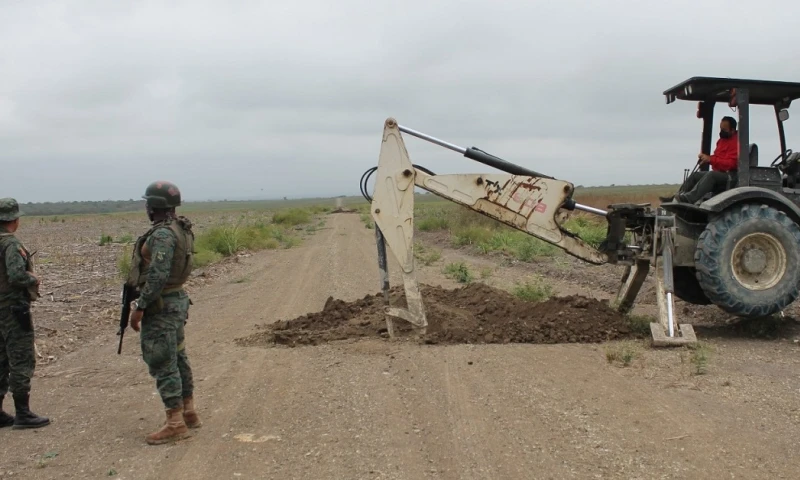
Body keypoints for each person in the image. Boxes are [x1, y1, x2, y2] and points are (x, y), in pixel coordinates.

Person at [126, 181, 200, 445]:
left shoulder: (162, 235)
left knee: (162, 360)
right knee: (178, 355)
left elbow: (157, 275)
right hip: (177, 300)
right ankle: (189, 411)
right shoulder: (181, 229)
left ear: (153, 206)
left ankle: (175, 423)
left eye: (148, 203)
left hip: (162, 306)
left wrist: (140, 307)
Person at [0, 198, 50, 430]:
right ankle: (23, 413)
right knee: (20, 358)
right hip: (13, 309)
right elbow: (16, 275)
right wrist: (34, 278)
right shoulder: (11, 244)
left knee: (1, 359)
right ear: (14, 220)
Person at [660, 116, 740, 204]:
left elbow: (732, 163)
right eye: (720, 129)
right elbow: (718, 158)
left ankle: (688, 198)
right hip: (720, 172)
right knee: (695, 176)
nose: (721, 132)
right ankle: (677, 197)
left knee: (711, 175)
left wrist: (710, 159)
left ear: (732, 130)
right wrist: (706, 159)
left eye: (724, 130)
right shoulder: (721, 141)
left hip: (730, 176)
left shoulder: (737, 142)